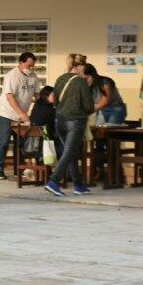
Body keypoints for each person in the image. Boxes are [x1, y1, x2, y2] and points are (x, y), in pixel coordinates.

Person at [44, 55, 94, 197]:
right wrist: (88, 86)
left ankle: (78, 185)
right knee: (69, 152)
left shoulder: (60, 79)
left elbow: (54, 101)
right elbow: (89, 107)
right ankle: (53, 181)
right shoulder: (81, 82)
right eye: (84, 66)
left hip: (59, 121)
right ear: (79, 67)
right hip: (75, 122)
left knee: (70, 152)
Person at [0, 51, 39, 180]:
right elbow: (10, 96)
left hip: (21, 116)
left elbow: (37, 95)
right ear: (21, 63)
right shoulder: (12, 76)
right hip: (5, 113)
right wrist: (22, 113)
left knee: (20, 143)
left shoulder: (34, 77)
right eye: (29, 65)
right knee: (4, 141)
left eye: (33, 65)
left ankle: (19, 169)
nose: (31, 68)